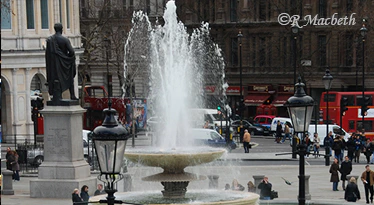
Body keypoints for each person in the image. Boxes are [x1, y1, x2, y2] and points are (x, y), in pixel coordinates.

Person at [45, 23, 77, 100]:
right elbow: (72, 52)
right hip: (64, 64)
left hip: (54, 65)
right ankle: (72, 95)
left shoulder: (50, 40)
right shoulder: (65, 40)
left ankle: (57, 96)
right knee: (70, 78)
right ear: (61, 29)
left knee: (56, 80)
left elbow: (48, 55)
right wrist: (67, 58)